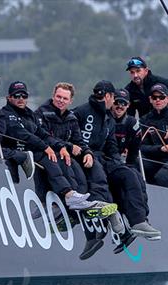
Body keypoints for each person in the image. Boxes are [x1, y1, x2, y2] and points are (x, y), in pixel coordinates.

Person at [36, 82, 120, 259]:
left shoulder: (71, 118)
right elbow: (43, 135)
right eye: (58, 97)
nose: (61, 101)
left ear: (70, 100)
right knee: (72, 172)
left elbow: (79, 141)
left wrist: (87, 153)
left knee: (88, 173)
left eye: (65, 98)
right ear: (53, 95)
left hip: (67, 155)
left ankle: (93, 213)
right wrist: (65, 146)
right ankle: (70, 213)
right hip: (49, 154)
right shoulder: (42, 113)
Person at [73, 80, 161, 241]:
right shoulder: (82, 111)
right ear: (107, 96)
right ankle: (104, 215)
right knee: (99, 173)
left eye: (122, 103)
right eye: (114, 99)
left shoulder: (109, 119)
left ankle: (138, 221)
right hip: (84, 158)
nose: (116, 104)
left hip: (102, 158)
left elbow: (112, 147)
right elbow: (67, 131)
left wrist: (118, 164)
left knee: (130, 175)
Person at [0, 80, 92, 211]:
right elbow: (23, 134)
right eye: (16, 96)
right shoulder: (7, 114)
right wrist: (45, 147)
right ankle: (67, 196)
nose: (21, 99)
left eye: (24, 96)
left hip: (30, 151)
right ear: (9, 98)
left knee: (60, 156)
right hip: (14, 152)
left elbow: (42, 133)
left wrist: (60, 146)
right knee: (49, 156)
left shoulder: (28, 113)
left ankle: (73, 196)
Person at [124, 56, 168, 120]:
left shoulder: (165, 83)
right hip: (148, 127)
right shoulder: (128, 91)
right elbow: (129, 117)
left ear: (146, 71)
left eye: (138, 71)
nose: (135, 75)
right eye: (132, 72)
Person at [110, 89, 141, 166]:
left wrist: (129, 165)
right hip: (103, 157)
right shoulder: (104, 118)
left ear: (128, 105)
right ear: (112, 102)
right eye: (117, 102)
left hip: (119, 160)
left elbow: (134, 150)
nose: (120, 106)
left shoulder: (132, 123)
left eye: (124, 103)